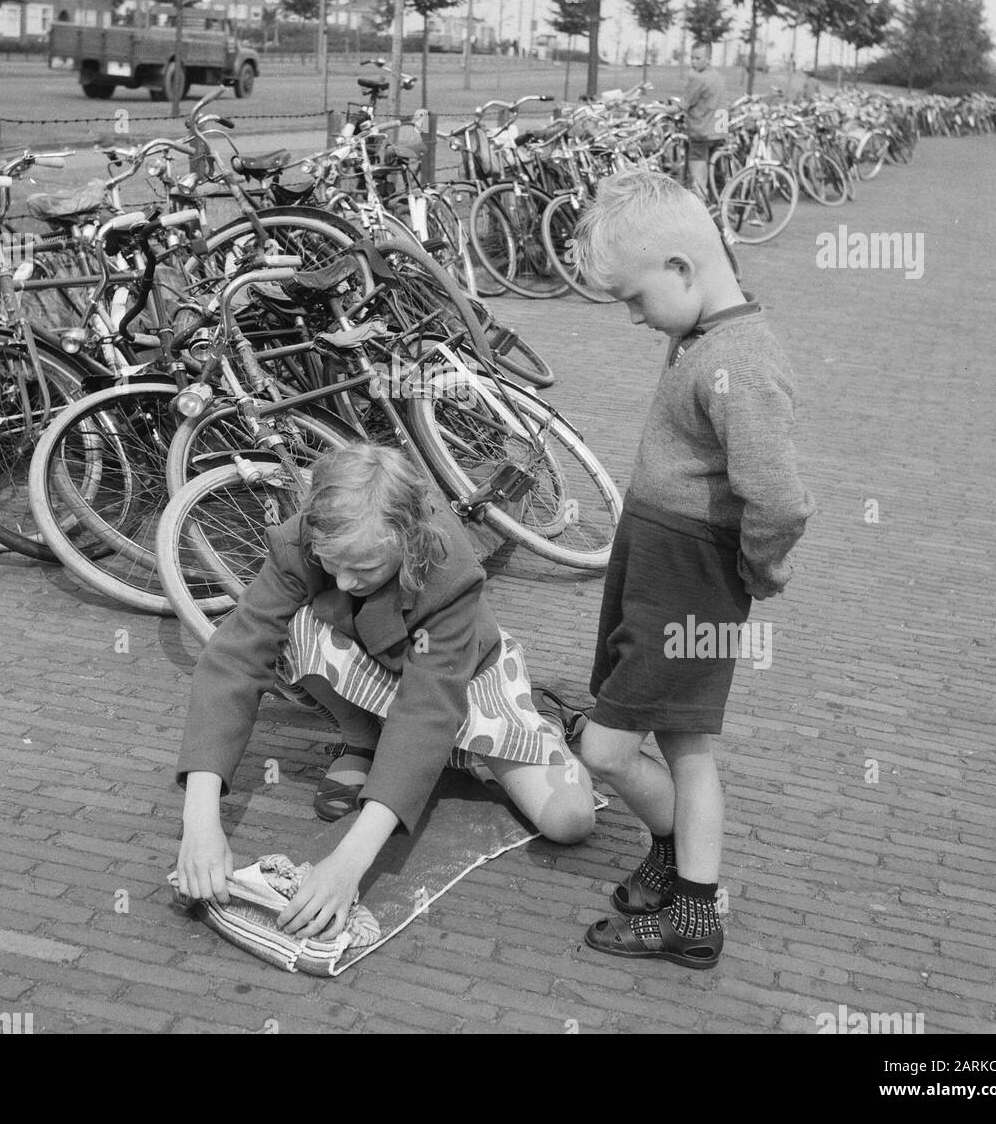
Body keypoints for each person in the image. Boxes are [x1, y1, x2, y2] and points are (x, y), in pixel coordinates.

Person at [175, 443, 595, 943]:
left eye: (365, 569)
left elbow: (426, 710)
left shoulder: (449, 570)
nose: (345, 581)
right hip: (375, 662)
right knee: (289, 630)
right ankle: (364, 738)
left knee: (569, 821)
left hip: (463, 676)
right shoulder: (305, 539)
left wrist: (346, 866)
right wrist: (199, 824)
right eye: (332, 566)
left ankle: (534, 715)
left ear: (409, 538)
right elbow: (235, 657)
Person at [570, 168, 814, 968]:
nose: (636, 319)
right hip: (659, 565)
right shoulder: (701, 332)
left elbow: (778, 499)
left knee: (604, 750)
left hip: (690, 581)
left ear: (681, 271)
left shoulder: (738, 360)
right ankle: (685, 880)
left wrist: (757, 571)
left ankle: (691, 900)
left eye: (635, 299)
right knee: (682, 744)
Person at [683, 41, 729, 198]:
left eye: (697, 58)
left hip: (701, 134)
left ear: (708, 59)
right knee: (716, 180)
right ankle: (722, 213)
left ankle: (702, 216)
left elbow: (684, 105)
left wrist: (658, 109)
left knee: (698, 183)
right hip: (718, 133)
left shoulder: (699, 79)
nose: (693, 62)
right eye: (692, 58)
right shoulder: (719, 78)